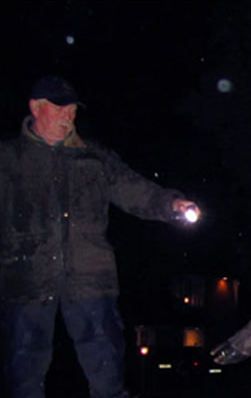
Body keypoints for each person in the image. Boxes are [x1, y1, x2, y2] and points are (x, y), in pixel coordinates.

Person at [0, 75, 201, 398]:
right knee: (23, 376)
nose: (68, 115)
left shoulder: (93, 158)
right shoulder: (9, 160)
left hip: (91, 281)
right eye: (59, 107)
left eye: (72, 109)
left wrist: (172, 205)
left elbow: (135, 189)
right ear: (36, 108)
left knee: (107, 374)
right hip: (26, 282)